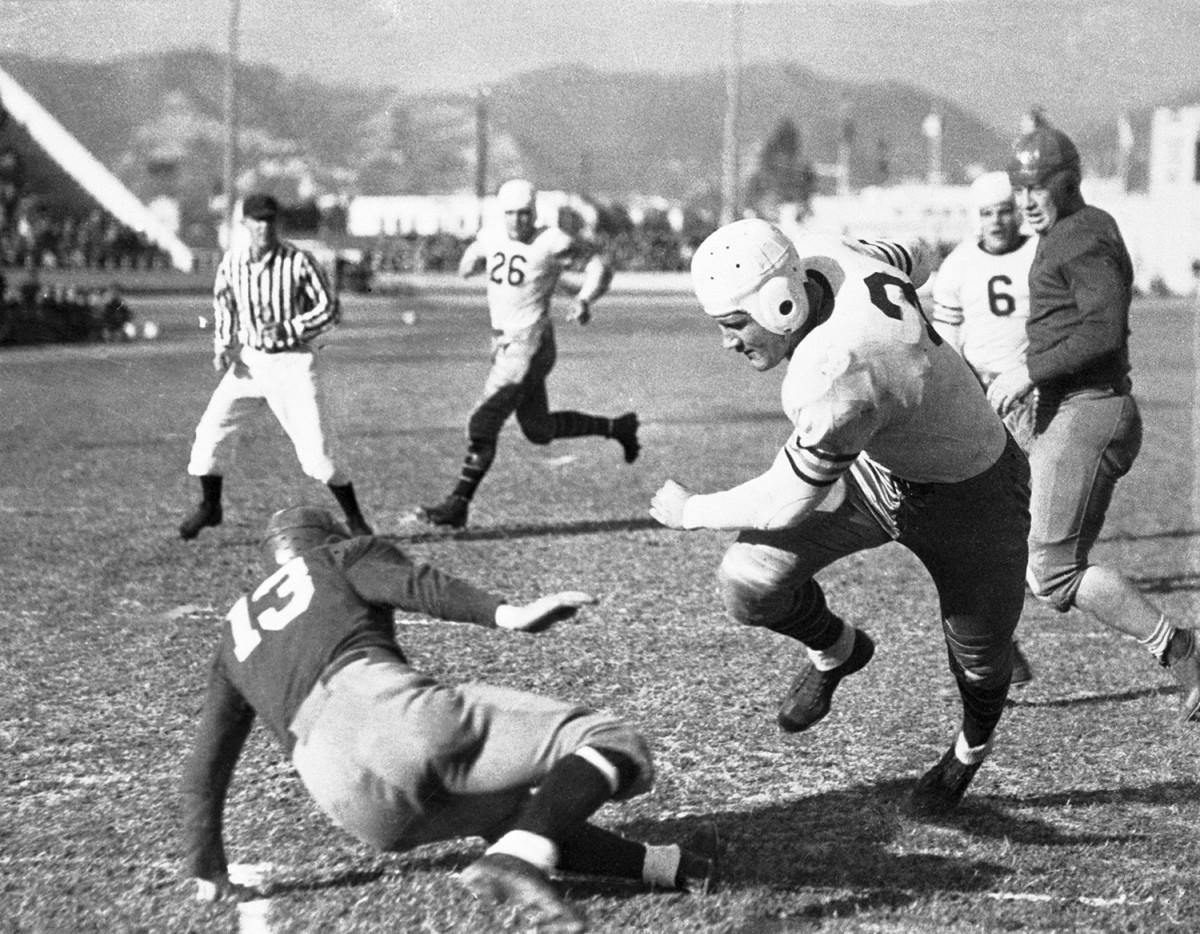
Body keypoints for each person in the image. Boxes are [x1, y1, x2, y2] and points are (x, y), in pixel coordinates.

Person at [182, 506, 718, 932]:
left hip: (347, 798)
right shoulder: (339, 557)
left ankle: (667, 866)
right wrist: (507, 613)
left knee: (509, 815)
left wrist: (206, 867)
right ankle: (517, 864)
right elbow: (417, 584)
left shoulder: (234, 635)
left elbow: (207, 763)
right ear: (329, 537)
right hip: (384, 710)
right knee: (610, 740)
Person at [650, 219, 1031, 816]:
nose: (728, 343)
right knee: (747, 584)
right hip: (879, 473)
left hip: (973, 494)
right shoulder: (829, 255)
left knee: (982, 662)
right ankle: (838, 651)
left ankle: (968, 751)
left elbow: (784, 500)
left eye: (733, 326)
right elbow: (915, 249)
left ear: (778, 304)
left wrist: (690, 510)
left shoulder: (833, 367)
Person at [986, 126, 1200, 722]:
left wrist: (1030, 373)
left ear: (1067, 182)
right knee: (1019, 544)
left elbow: (1102, 331)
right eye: (1019, 188)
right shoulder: (1070, 231)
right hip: (1068, 409)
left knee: (1054, 574)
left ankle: (1182, 649)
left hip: (1090, 410)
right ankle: (998, 653)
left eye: (1038, 187)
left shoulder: (1079, 236)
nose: (1026, 200)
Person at [415, 178, 639, 529]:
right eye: (511, 214)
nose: (518, 221)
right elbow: (476, 251)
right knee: (538, 428)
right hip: (504, 344)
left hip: (530, 344)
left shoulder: (552, 240)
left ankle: (458, 503)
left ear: (533, 213)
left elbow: (601, 266)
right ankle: (619, 427)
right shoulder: (492, 234)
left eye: (524, 214)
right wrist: (468, 263)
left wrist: (584, 299)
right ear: (501, 214)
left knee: (483, 421)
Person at [178, 194, 372, 540]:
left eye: (269, 220)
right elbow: (224, 304)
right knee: (211, 432)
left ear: (277, 223)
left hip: (292, 361)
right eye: (257, 220)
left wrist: (290, 327)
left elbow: (330, 309)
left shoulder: (298, 261)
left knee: (317, 455)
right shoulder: (233, 263)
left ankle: (355, 519)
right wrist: (223, 344)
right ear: (245, 224)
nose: (264, 227)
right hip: (251, 362)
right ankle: (210, 507)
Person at [932, 170, 1039, 685]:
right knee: (998, 523)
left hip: (1040, 394)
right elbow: (949, 349)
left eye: (1004, 210)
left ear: (1016, 210)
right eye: (987, 212)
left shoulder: (1041, 253)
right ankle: (997, 640)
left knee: (1036, 520)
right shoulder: (958, 267)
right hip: (985, 402)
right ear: (975, 217)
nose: (997, 221)